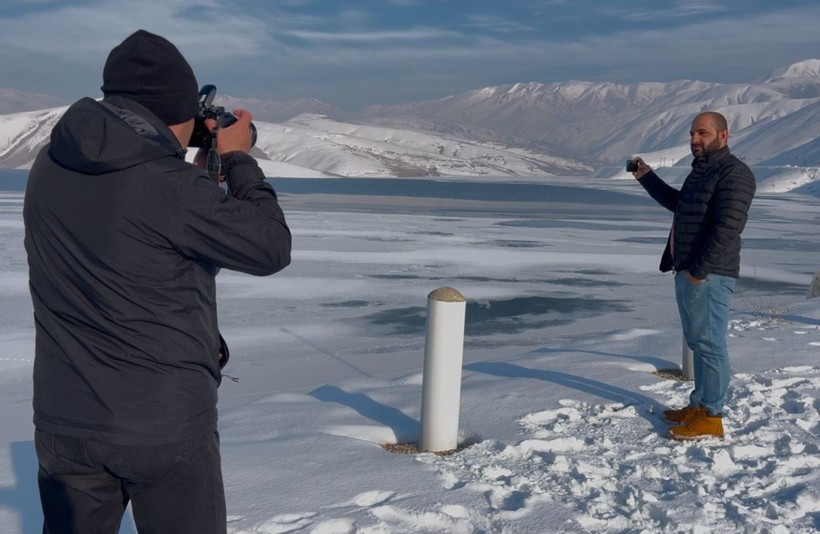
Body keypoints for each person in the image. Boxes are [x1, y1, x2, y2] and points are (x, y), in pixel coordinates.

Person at [24, 29, 291, 533]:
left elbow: (132, 219)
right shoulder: (170, 188)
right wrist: (236, 159)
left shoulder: (50, 163)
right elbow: (269, 247)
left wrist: (189, 161)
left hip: (65, 420)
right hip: (162, 427)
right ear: (178, 109)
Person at [630, 111, 755, 441]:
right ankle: (699, 404)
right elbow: (683, 206)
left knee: (711, 345)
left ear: (723, 136)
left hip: (709, 274)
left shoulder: (734, 173)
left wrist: (699, 271)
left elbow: (728, 227)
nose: (694, 139)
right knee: (699, 342)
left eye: (702, 133)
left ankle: (712, 416)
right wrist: (647, 177)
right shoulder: (702, 173)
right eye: (691, 134)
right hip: (689, 270)